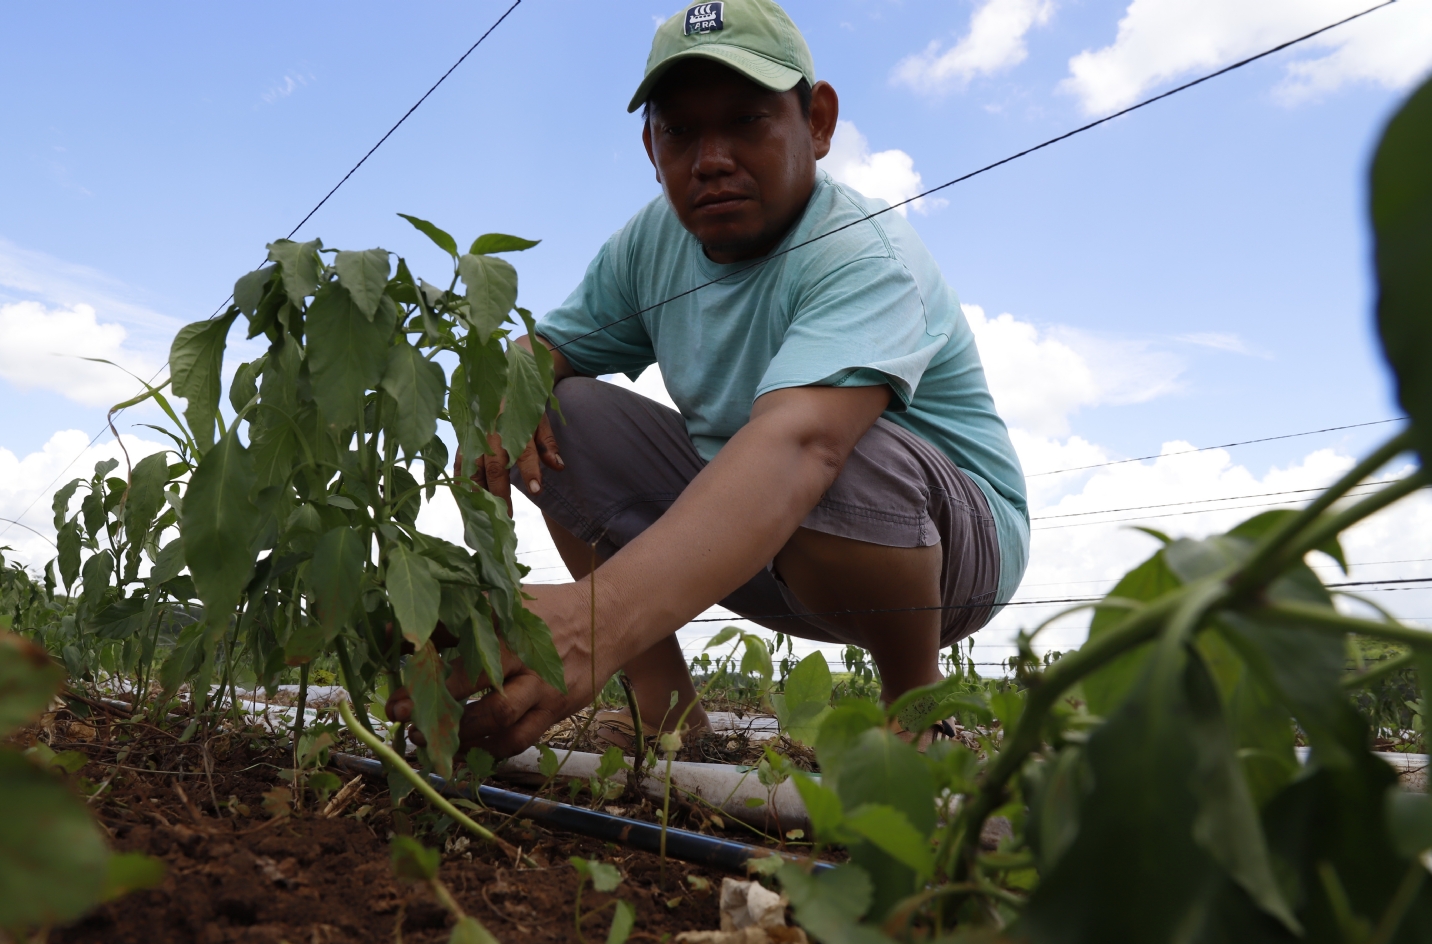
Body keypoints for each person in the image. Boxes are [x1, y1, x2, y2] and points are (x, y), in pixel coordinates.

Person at [390, 0, 1028, 758]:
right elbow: (549, 349)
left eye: (748, 120)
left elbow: (802, 447)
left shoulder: (861, 254)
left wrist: (592, 619)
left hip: (946, 556)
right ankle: (662, 719)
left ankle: (914, 720)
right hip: (767, 537)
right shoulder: (652, 243)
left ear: (817, 123)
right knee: (556, 409)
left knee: (833, 448)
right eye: (681, 131)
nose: (710, 158)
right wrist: (503, 390)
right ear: (649, 145)